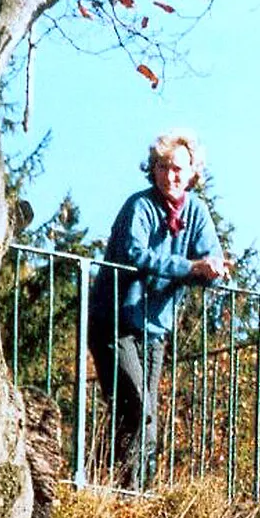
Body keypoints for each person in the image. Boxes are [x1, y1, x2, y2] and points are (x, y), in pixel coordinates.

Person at [90, 131, 227, 486]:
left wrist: (210, 270)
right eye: (162, 168)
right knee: (134, 403)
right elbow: (135, 255)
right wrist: (190, 268)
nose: (171, 176)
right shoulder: (139, 206)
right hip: (115, 320)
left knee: (147, 415)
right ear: (152, 170)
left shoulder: (196, 211)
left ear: (193, 171)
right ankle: (121, 489)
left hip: (155, 329)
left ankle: (136, 494)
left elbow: (213, 263)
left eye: (178, 169)